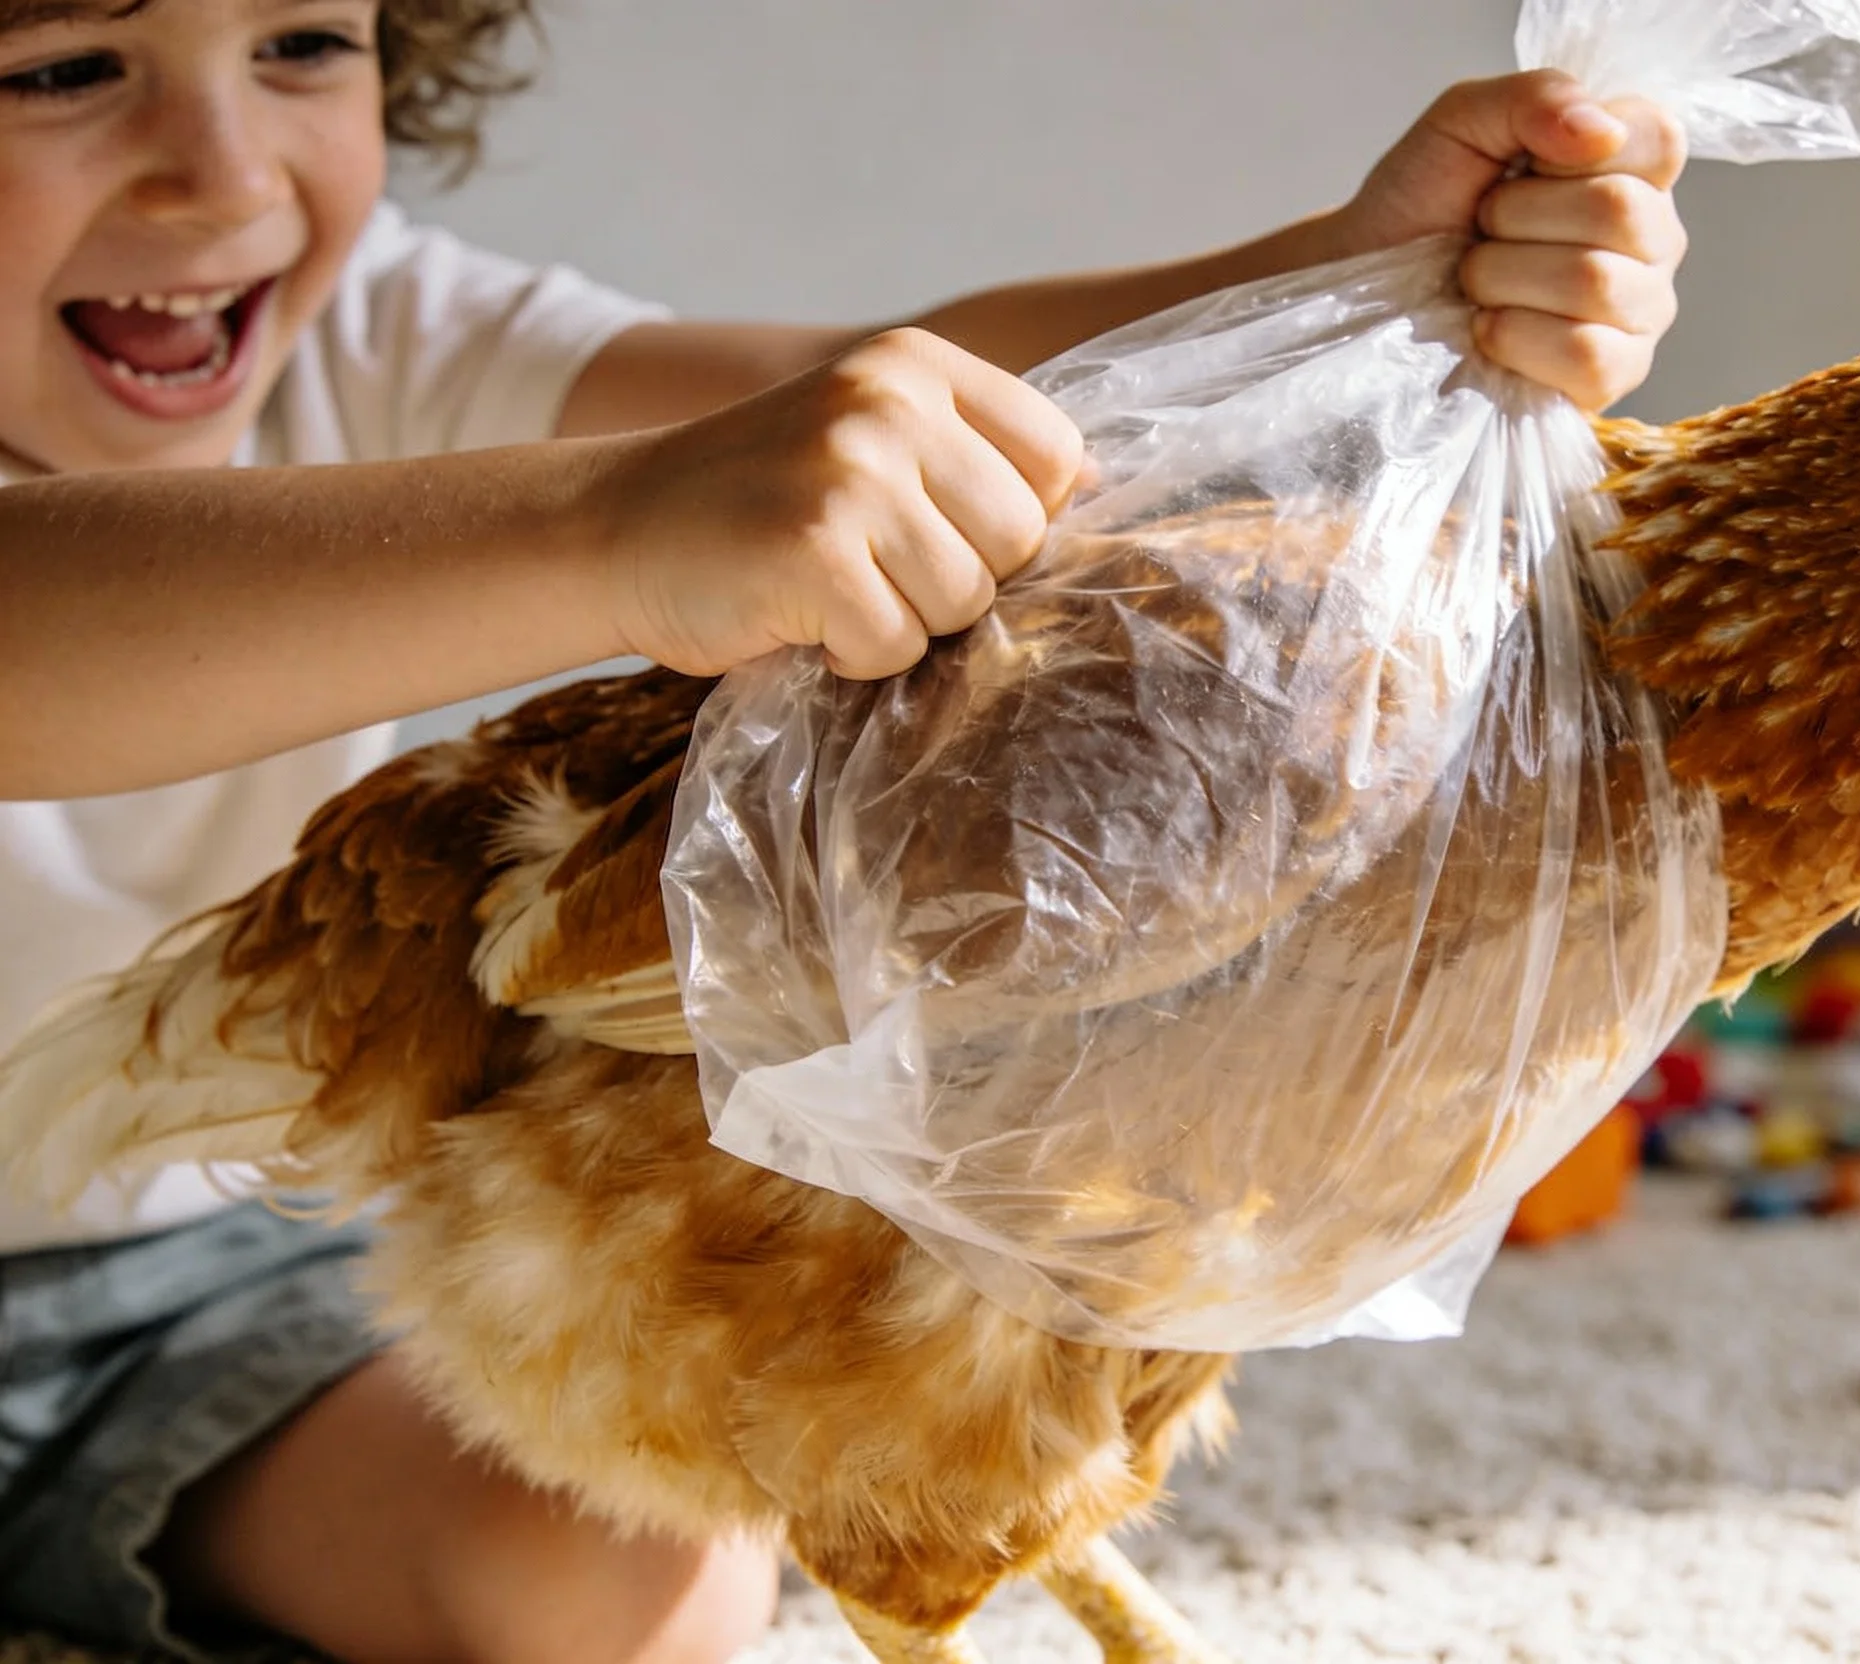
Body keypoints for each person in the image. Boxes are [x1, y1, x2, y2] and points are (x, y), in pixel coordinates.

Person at [0, 1, 1690, 1659]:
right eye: (64, 68)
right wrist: (608, 526)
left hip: (204, 1266)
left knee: (623, 1584)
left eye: (304, 45)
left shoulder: (364, 326)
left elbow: (864, 397)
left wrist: (1353, 280)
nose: (219, 177)